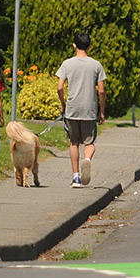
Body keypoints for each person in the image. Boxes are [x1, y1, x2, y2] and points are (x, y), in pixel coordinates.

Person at [56, 31, 106, 188]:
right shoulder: (96, 65)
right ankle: (87, 160)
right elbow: (102, 91)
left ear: (74, 45)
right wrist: (102, 111)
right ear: (89, 46)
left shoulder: (67, 64)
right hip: (89, 109)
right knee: (89, 143)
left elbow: (59, 87)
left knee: (74, 142)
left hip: (72, 108)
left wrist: (63, 103)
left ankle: (76, 177)